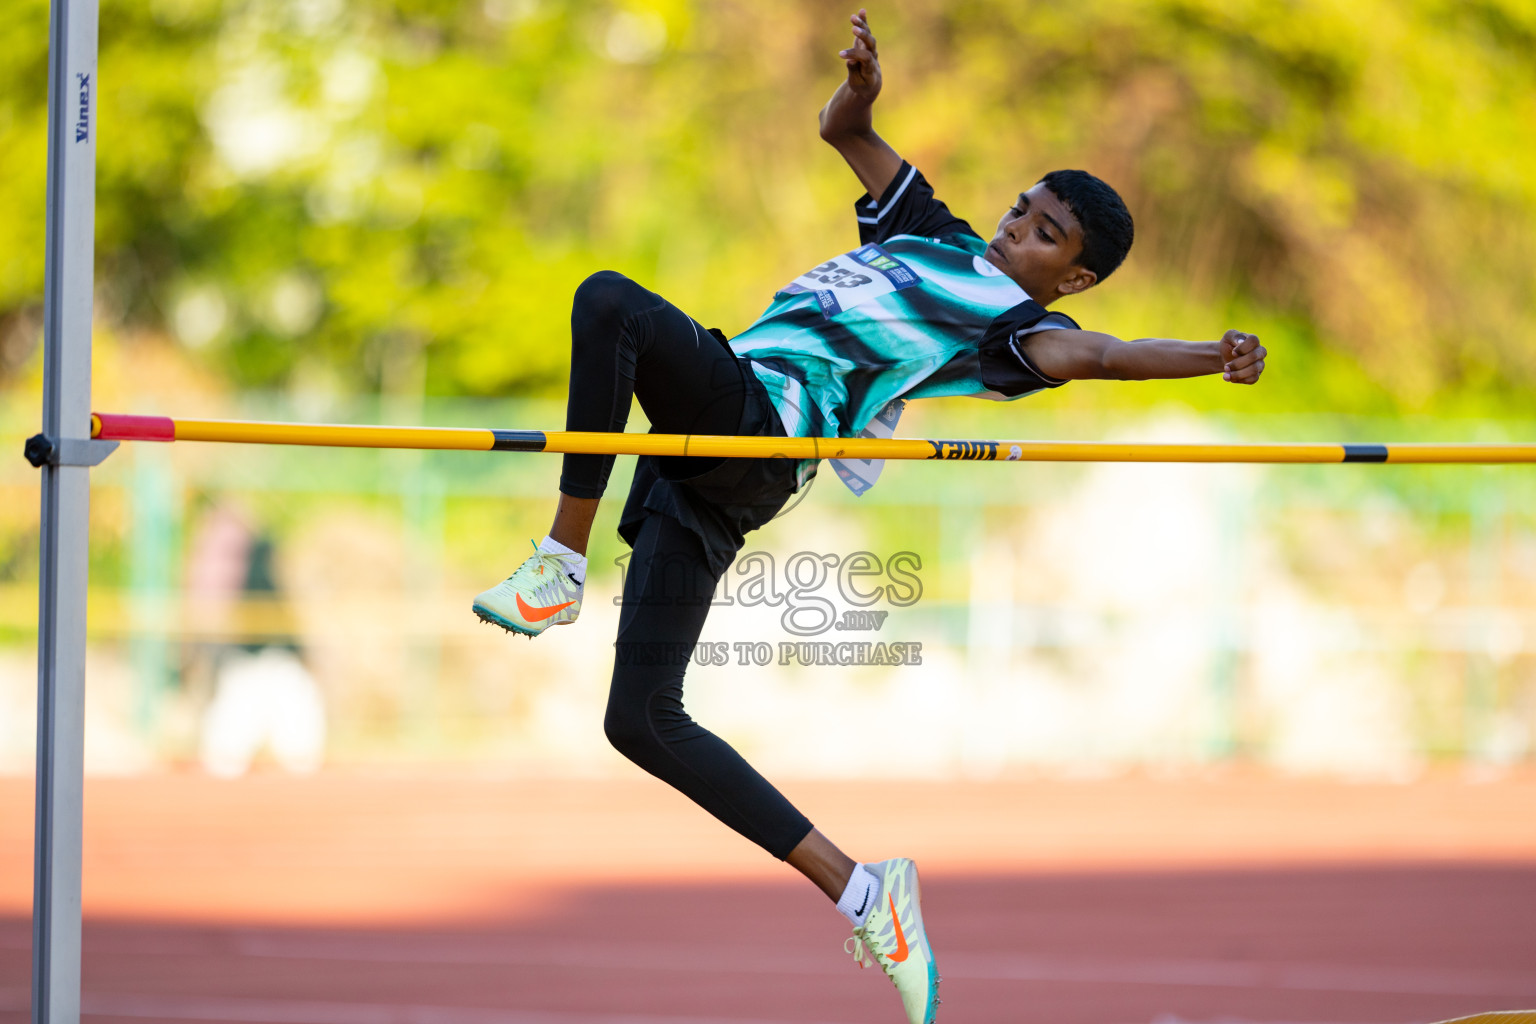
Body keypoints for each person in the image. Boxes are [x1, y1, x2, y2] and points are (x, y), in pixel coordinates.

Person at [471, 10, 1267, 1023]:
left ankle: (559, 563)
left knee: (612, 303)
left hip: (760, 427)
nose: (1015, 225)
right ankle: (864, 892)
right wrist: (863, 92)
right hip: (705, 463)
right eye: (1021, 207)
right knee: (641, 719)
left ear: (1071, 276)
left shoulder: (1017, 326)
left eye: (1044, 232)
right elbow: (843, 132)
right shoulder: (929, 233)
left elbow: (1101, 356)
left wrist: (1212, 352)